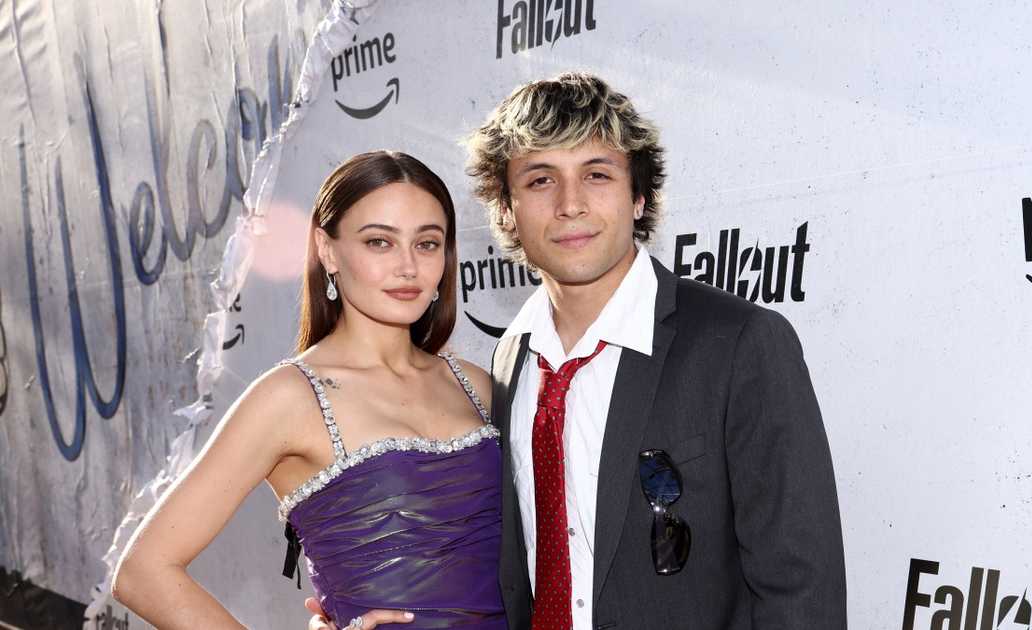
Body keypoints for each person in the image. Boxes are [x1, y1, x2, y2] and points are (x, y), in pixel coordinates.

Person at [313, 73, 846, 630]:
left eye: (597, 174)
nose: (570, 205)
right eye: (541, 180)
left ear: (638, 196)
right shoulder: (509, 363)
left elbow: (802, 590)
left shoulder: (739, 344)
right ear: (506, 208)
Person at [112, 151, 506, 629]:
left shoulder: (477, 383)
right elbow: (142, 571)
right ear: (327, 249)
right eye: (379, 241)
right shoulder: (288, 398)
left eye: (427, 244)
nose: (408, 267)